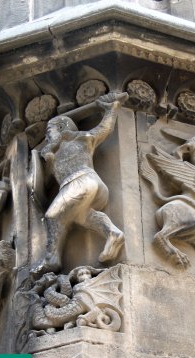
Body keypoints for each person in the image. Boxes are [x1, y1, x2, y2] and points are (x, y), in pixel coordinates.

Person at [30, 92, 128, 277]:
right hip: (92, 187)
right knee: (81, 216)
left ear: (60, 127)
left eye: (48, 131)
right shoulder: (56, 152)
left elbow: (104, 129)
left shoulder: (79, 138)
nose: (47, 136)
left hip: (81, 181)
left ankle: (52, 259)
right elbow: (42, 182)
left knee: (52, 216)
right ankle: (113, 233)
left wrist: (111, 109)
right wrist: (46, 158)